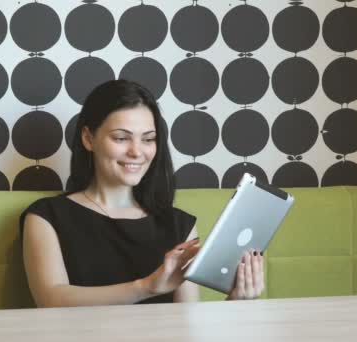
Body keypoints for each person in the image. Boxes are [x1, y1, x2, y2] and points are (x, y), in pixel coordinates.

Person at [20, 79, 264, 307]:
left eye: (148, 139)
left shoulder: (178, 224)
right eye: (121, 138)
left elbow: (188, 321)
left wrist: (236, 301)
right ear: (88, 138)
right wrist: (146, 287)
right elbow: (51, 299)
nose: (137, 152)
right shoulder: (46, 216)